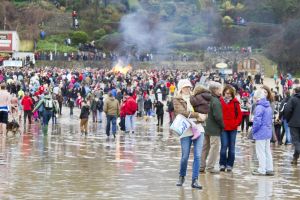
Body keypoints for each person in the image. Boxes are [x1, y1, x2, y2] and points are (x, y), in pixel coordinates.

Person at [174, 79, 206, 190]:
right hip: (185, 130)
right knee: (185, 156)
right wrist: (197, 115)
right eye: (185, 87)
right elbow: (182, 112)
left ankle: (195, 180)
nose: (188, 88)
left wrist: (204, 116)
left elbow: (205, 109)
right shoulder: (177, 99)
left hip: (199, 128)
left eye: (189, 86)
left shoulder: (196, 98)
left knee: (197, 155)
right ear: (181, 88)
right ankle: (181, 176)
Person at [199, 82, 224, 174]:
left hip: (205, 126)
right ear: (215, 90)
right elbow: (218, 116)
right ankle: (210, 167)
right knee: (214, 148)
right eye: (219, 89)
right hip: (214, 128)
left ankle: (201, 166)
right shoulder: (215, 101)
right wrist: (222, 125)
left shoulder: (206, 98)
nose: (221, 91)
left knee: (205, 147)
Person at [219, 85, 242, 172]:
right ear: (224, 92)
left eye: (229, 93)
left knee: (232, 147)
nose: (228, 95)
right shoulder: (220, 102)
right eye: (226, 93)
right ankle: (222, 164)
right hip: (223, 127)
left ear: (232, 94)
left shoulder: (236, 102)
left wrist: (236, 124)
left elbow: (239, 115)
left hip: (233, 128)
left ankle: (230, 165)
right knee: (224, 146)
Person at [251, 89, 274, 176]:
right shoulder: (268, 106)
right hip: (268, 131)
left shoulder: (259, 107)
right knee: (267, 151)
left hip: (261, 132)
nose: (254, 99)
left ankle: (261, 169)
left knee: (260, 152)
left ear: (258, 97)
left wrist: (253, 131)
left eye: (255, 97)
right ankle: (269, 168)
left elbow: (257, 121)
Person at [284, 87, 300, 165]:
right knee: (297, 142)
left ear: (295, 92)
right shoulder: (293, 99)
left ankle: (295, 157)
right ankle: (295, 159)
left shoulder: (293, 99)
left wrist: (288, 119)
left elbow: (287, 110)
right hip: (294, 122)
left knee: (296, 141)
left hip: (294, 123)